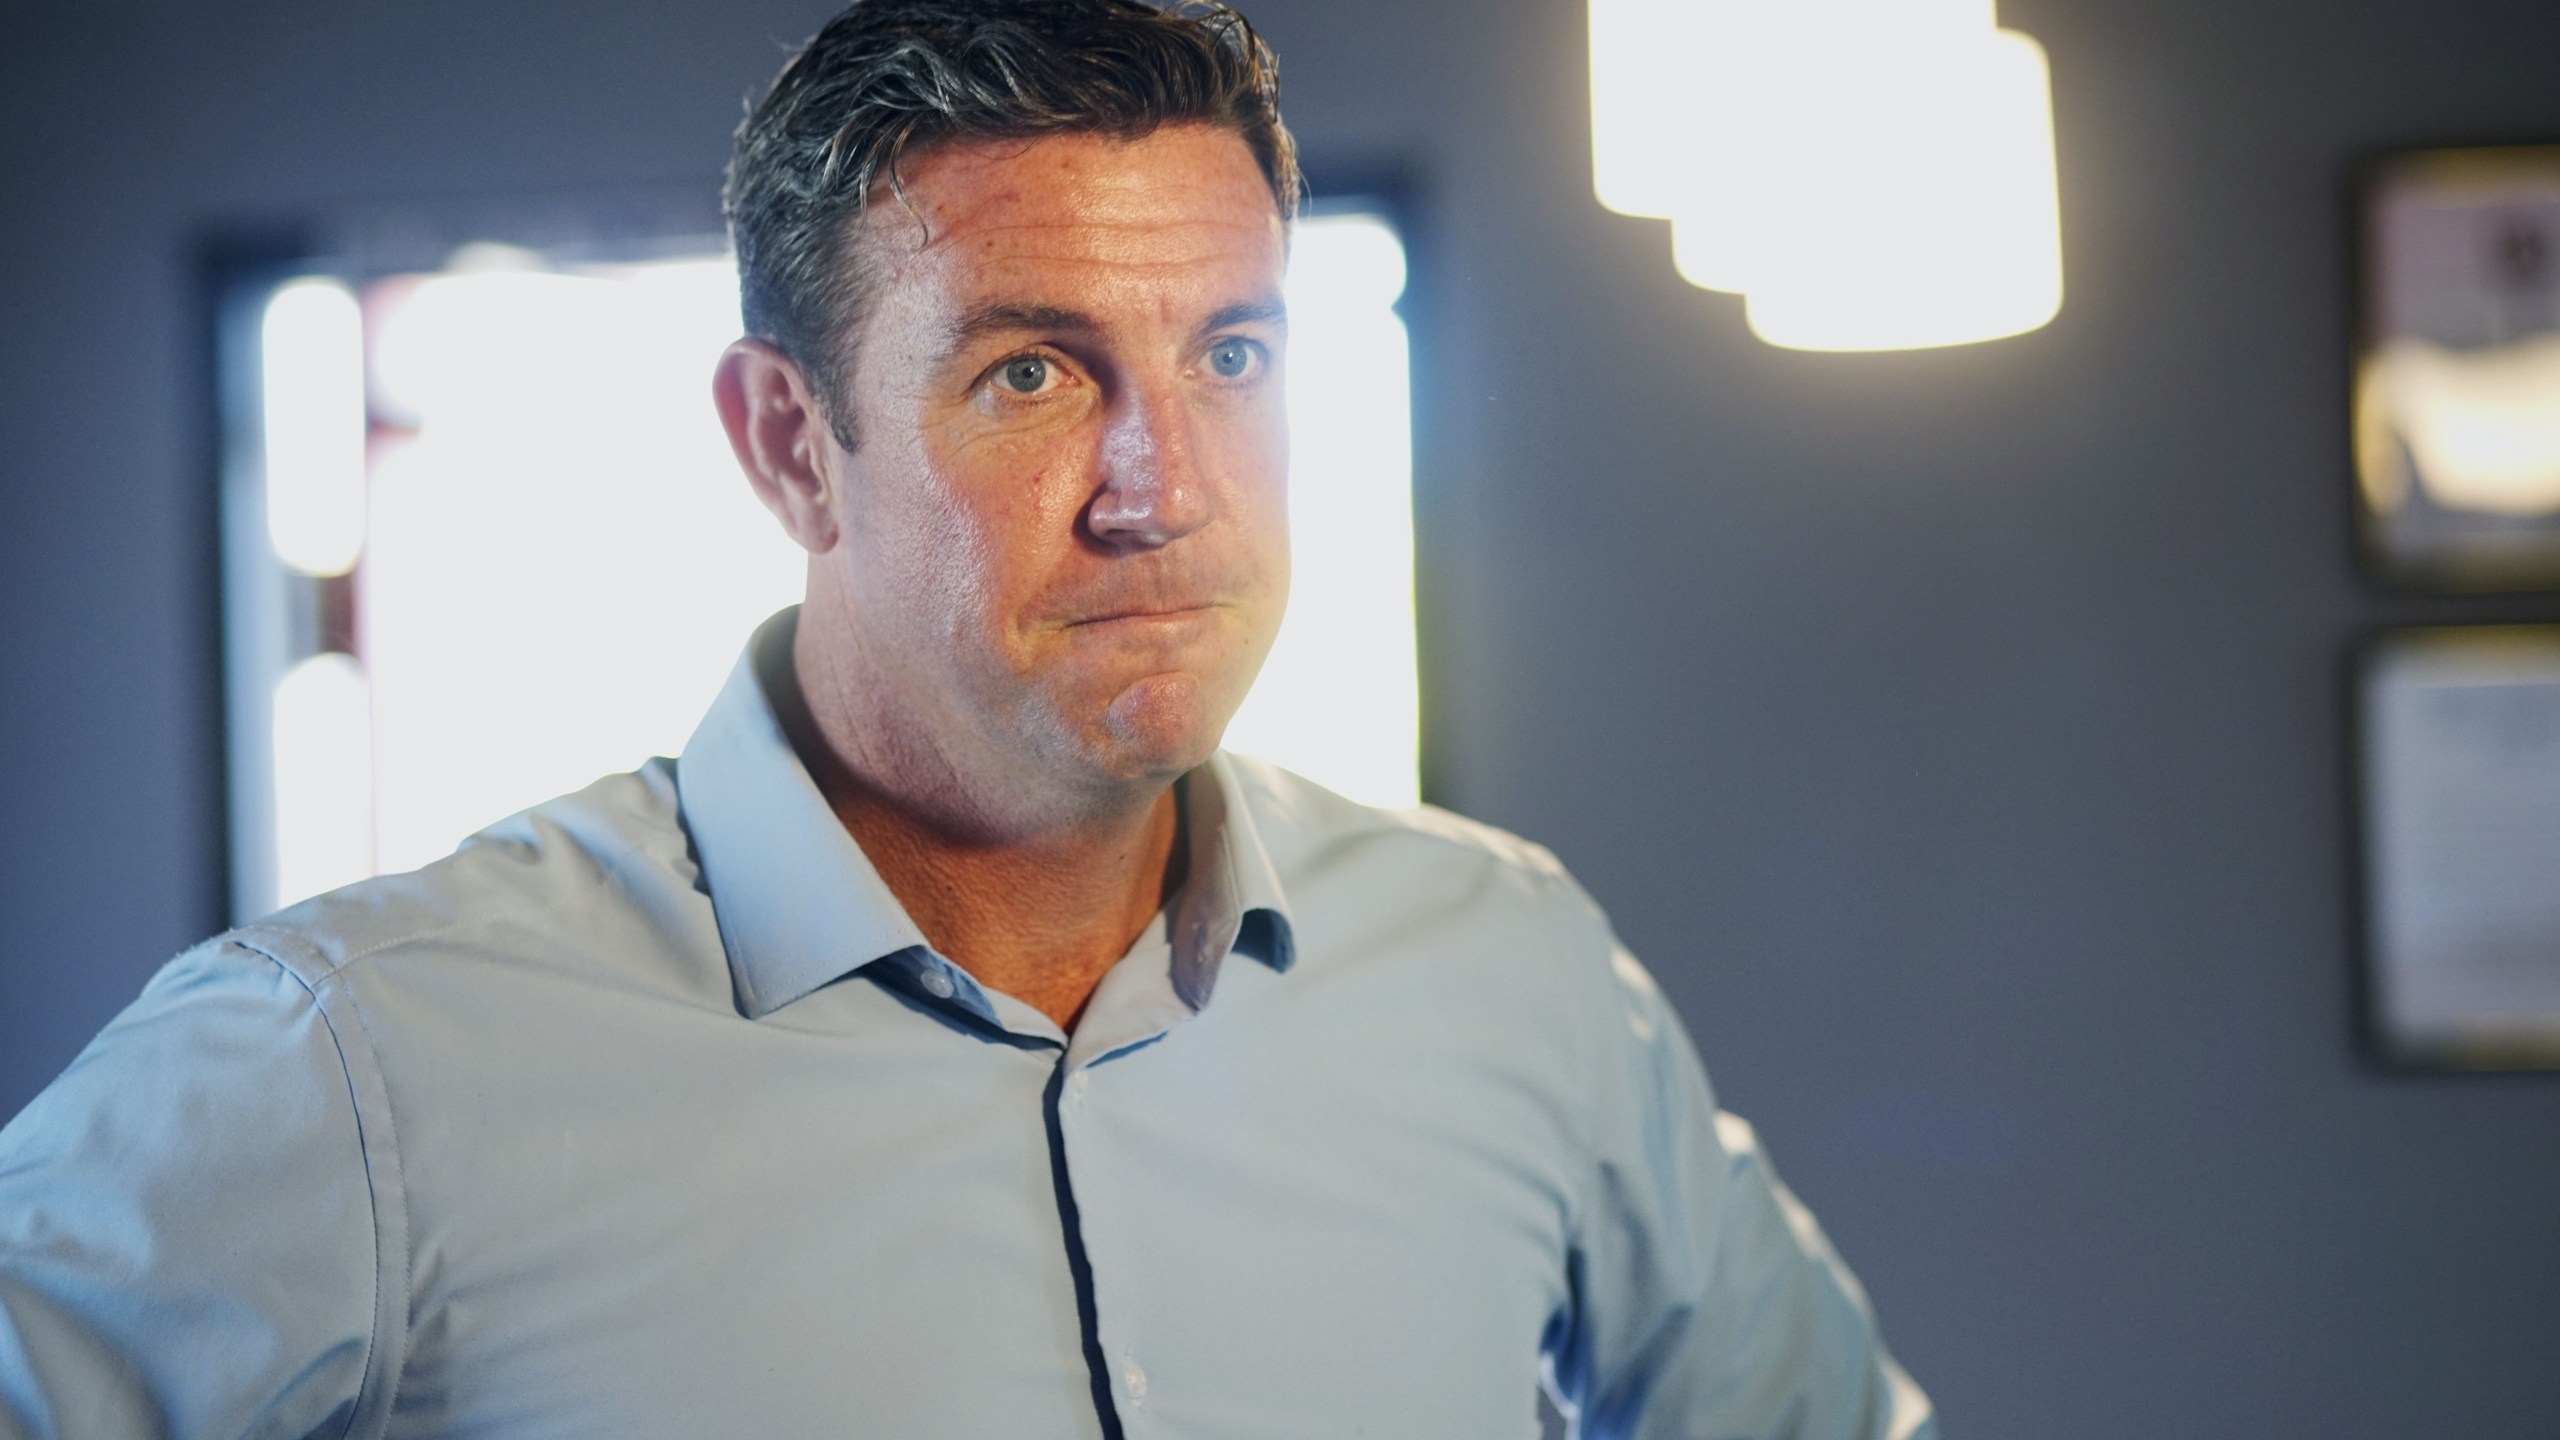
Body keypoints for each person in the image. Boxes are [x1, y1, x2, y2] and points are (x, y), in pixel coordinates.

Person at [0, 2, 1934, 1436]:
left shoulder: (1509, 970)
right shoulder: (351, 1065)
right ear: (789, 445)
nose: (1160, 484)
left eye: (1234, 356)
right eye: (1029, 373)